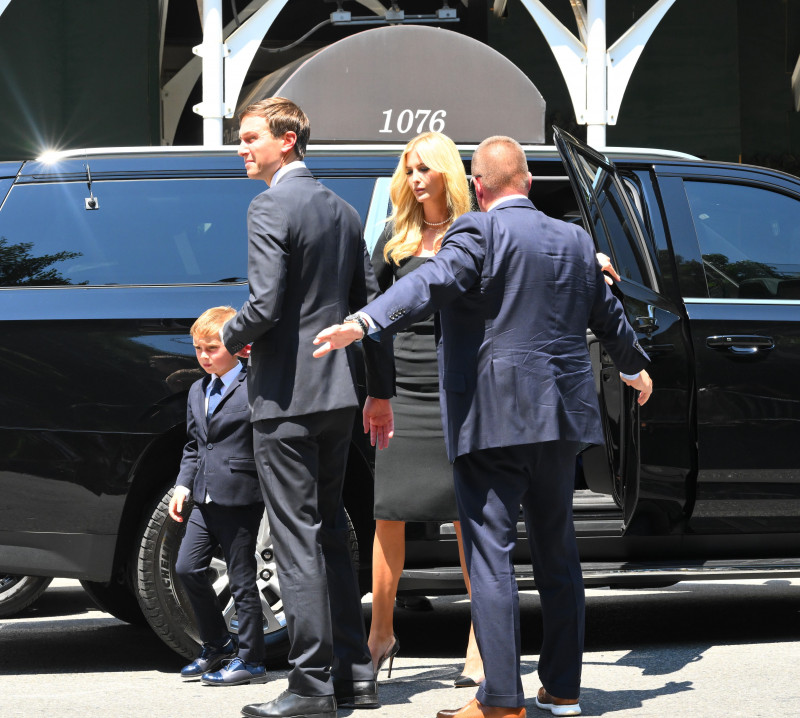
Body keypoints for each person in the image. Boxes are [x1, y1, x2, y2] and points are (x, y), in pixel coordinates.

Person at [313, 136, 653, 718]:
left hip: (491, 421)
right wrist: (635, 366)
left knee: (491, 555)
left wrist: (367, 319)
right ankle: (564, 688)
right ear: (527, 182)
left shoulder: (475, 233)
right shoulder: (574, 238)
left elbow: (430, 283)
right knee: (557, 552)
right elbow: (608, 310)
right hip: (560, 421)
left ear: (478, 186)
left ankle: (499, 699)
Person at [221, 97, 395, 718]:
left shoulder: (270, 205)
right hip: (338, 396)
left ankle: (310, 688)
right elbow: (370, 310)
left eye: (249, 138)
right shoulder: (345, 212)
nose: (240, 148)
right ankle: (354, 675)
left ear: (288, 140)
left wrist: (227, 338)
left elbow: (263, 307)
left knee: (296, 539)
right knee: (329, 536)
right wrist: (379, 389)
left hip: (286, 398)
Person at [367, 131, 484, 686]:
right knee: (388, 512)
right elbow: (370, 315)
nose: (414, 179)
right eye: (408, 170)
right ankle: (380, 634)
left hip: (457, 386)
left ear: (447, 174)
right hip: (402, 387)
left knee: (469, 517)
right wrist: (377, 390)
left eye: (424, 170)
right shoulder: (394, 237)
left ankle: (480, 640)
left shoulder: (475, 229)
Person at [170, 305, 266, 686]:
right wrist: (182, 484)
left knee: (243, 579)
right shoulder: (198, 389)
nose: (204, 357)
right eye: (198, 349)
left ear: (237, 346)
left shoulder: (254, 384)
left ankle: (252, 659)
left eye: (212, 348)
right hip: (203, 494)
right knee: (186, 568)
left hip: (241, 493)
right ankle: (217, 645)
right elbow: (195, 444)